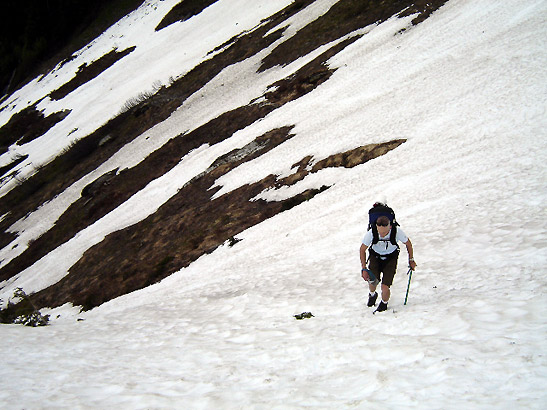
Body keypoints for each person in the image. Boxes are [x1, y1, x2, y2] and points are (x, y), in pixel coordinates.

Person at [360, 215, 417, 312]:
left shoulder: (397, 231)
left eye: (384, 232)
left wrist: (411, 259)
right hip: (375, 257)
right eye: (379, 232)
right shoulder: (371, 233)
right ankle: (373, 294)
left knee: (385, 286)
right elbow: (362, 249)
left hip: (391, 258)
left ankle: (384, 303)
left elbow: (408, 243)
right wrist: (364, 268)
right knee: (372, 281)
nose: (382, 235)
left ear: (390, 227)